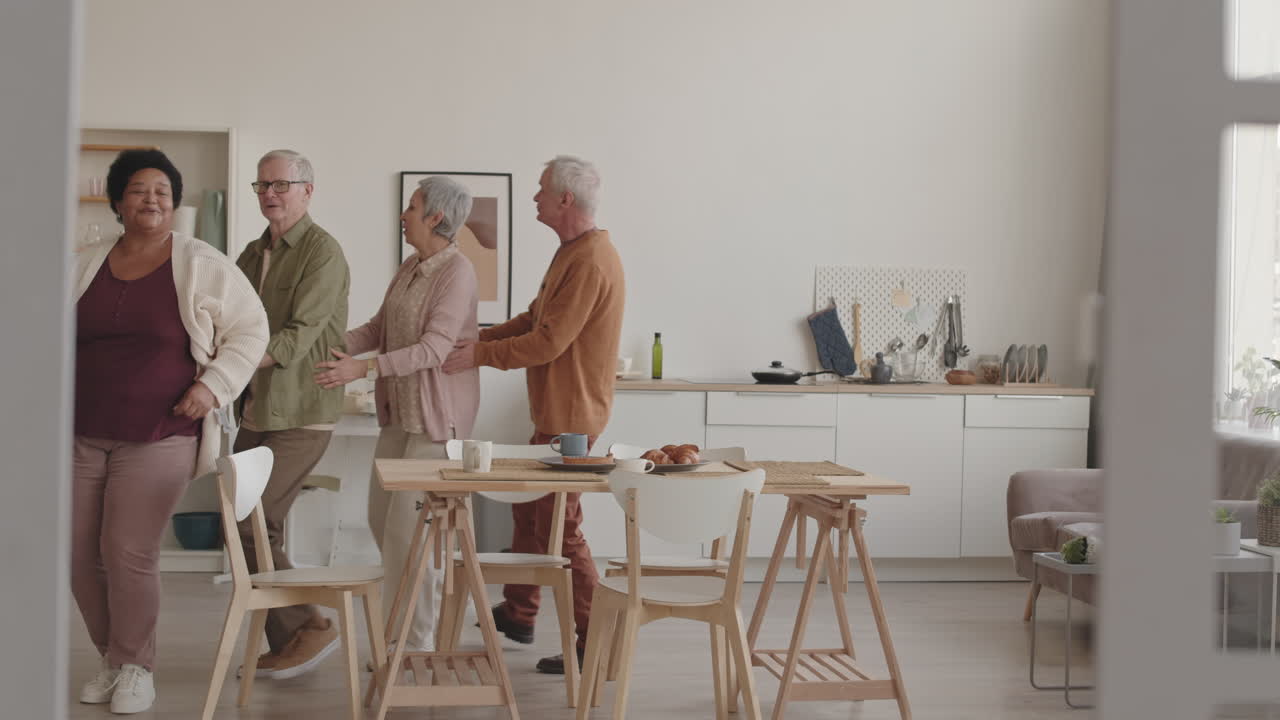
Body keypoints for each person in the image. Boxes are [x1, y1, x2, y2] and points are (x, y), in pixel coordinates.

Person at [72, 149, 268, 713]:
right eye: (138, 189)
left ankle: (136, 667)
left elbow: (251, 331)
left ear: (175, 202)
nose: (152, 198)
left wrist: (212, 387)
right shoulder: (82, 263)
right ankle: (114, 659)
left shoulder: (201, 262)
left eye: (162, 190)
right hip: (80, 429)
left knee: (127, 549)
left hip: (162, 431)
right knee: (78, 554)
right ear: (117, 201)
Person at [443, 155, 624, 674]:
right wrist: (479, 336)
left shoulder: (590, 259)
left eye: (542, 190)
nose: (535, 197)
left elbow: (548, 342)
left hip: (573, 417)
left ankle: (595, 641)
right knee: (529, 510)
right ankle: (521, 611)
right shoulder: (572, 252)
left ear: (565, 199)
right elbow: (533, 318)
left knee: (561, 529)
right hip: (558, 410)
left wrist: (477, 355)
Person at [314, 175, 480, 652]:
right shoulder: (412, 265)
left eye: (411, 207)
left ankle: (413, 642)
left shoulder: (457, 272)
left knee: (408, 536)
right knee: (379, 519)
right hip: (399, 417)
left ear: (435, 217)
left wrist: (360, 369)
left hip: (435, 422)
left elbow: (433, 349)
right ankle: (406, 628)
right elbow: (379, 328)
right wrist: (327, 342)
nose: (403, 215)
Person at [234, 149, 351, 679]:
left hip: (302, 411)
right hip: (256, 409)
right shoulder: (252, 253)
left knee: (256, 519)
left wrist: (232, 362)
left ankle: (311, 628)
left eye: (280, 184)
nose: (270, 194)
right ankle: (298, 631)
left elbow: (299, 335)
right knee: (243, 522)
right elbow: (229, 315)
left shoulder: (323, 253)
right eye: (261, 186)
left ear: (308, 189)